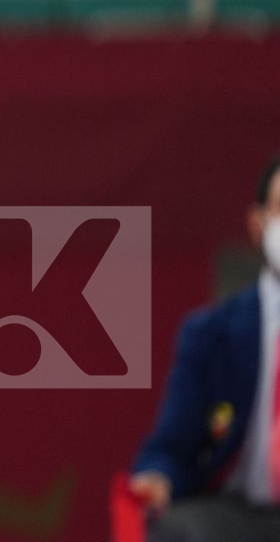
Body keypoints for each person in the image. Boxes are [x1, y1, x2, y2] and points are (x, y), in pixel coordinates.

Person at [130, 155, 280, 540]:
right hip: (243, 516)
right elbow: (171, 447)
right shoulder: (212, 334)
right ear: (258, 224)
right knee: (179, 530)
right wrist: (157, 478)